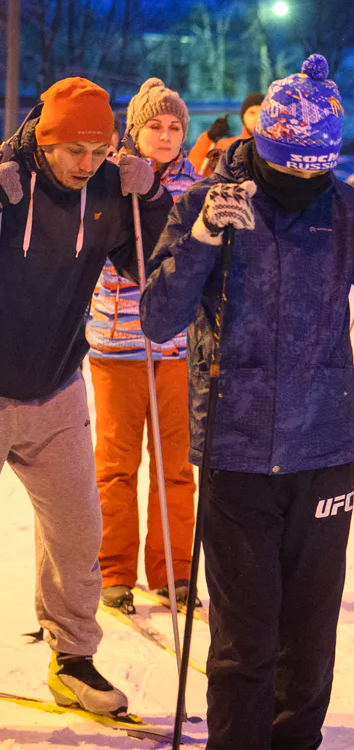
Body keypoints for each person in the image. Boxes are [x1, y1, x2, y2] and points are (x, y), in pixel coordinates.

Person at [141, 54, 354, 750]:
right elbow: (158, 318)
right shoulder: (208, 201)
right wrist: (206, 237)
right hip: (237, 450)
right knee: (245, 638)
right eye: (291, 164)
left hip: (324, 450)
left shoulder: (344, 208)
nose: (304, 178)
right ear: (266, 146)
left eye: (317, 166)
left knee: (308, 635)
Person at [0, 76, 170, 715]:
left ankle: (73, 658)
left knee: (77, 532)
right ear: (46, 140)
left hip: (56, 390)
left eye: (100, 151)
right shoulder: (8, 177)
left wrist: (148, 196)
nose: (88, 164)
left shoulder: (106, 190)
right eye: (76, 150)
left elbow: (147, 263)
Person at [87, 78, 200, 615]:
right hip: (117, 345)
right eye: (154, 125)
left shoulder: (197, 186)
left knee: (176, 465)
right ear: (134, 131)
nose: (165, 134)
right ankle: (113, 570)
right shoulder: (108, 179)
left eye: (175, 126)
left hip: (178, 347)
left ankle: (174, 570)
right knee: (115, 464)